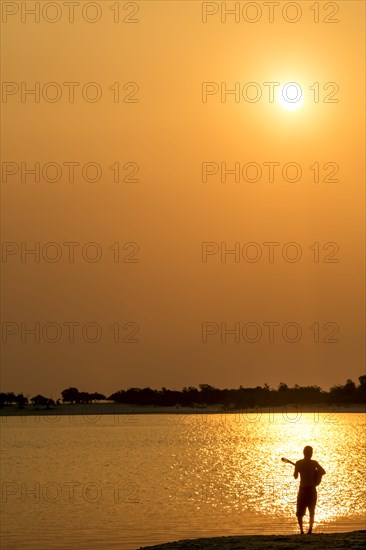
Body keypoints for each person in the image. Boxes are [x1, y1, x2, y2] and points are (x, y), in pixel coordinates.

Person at [294, 446, 326, 534]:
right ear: (310, 453)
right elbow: (323, 472)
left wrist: (297, 469)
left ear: (304, 453)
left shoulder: (298, 463)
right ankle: (310, 530)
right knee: (311, 510)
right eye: (311, 452)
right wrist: (315, 472)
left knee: (300, 511)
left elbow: (295, 477)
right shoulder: (314, 463)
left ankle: (301, 531)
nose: (311, 454)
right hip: (311, 489)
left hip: (303, 489)